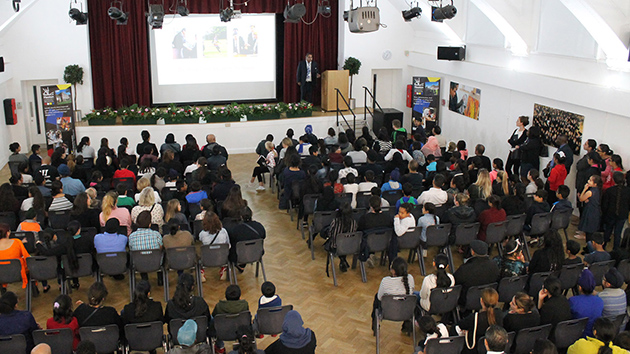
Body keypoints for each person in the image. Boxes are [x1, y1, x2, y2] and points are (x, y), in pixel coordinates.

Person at [371, 257, 415, 335]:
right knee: (413, 298)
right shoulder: (410, 279)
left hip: (388, 312)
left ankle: (375, 326)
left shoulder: (385, 281)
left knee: (376, 297)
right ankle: (407, 327)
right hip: (406, 311)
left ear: (393, 271)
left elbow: (379, 297)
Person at [456, 288, 503, 354]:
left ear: (481, 301)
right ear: (497, 302)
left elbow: (460, 325)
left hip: (475, 350)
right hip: (493, 347)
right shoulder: (499, 314)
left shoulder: (474, 317)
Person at [454, 240, 500, 306]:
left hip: (466, 300)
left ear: (472, 252)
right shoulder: (494, 265)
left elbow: (455, 281)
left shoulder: (465, 269)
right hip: (487, 299)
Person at [569, 269, 604, 337]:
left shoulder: (573, 301)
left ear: (580, 287)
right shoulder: (600, 301)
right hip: (594, 335)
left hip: (578, 336)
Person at [325, 202, 357, 272]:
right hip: (349, 247)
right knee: (345, 241)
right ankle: (343, 260)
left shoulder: (335, 222)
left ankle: (342, 260)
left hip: (335, 247)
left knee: (337, 242)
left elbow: (330, 234)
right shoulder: (354, 223)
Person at [601, 172, 630, 250]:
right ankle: (615, 250)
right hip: (622, 215)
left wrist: (604, 213)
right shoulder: (628, 191)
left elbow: (605, 205)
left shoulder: (609, 190)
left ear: (613, 180)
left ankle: (603, 247)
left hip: (610, 214)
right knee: (618, 233)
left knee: (607, 231)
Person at [0, 223, 30, 290]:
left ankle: (3, 290)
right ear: (7, 233)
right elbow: (27, 258)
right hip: (17, 273)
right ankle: (34, 290)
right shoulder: (17, 242)